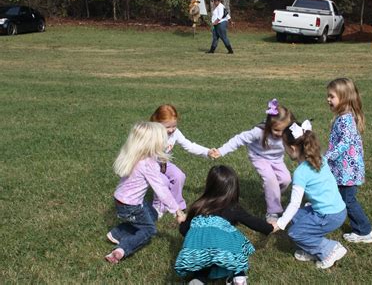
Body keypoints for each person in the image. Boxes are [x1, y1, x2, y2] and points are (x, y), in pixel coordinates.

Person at [175, 165, 275, 285]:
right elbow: (252, 221)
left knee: (203, 262)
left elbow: (187, 231)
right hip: (224, 248)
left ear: (209, 185)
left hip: (201, 252)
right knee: (237, 249)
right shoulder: (233, 207)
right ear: (233, 189)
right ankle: (239, 277)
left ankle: (198, 280)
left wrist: (182, 222)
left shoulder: (198, 206)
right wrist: (270, 227)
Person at [105, 122, 186, 264]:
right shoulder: (148, 164)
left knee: (152, 214)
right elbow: (162, 191)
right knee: (149, 230)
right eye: (162, 140)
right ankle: (121, 250)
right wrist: (177, 211)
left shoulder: (134, 156)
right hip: (131, 205)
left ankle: (116, 233)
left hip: (122, 201)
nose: (165, 143)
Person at [273, 120, 348, 269]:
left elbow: (294, 203)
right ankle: (311, 250)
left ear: (293, 148)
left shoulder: (300, 173)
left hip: (329, 215)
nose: (285, 150)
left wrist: (280, 223)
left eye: (285, 146)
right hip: (338, 210)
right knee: (296, 217)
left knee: (295, 233)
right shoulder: (319, 158)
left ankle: (329, 249)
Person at [212, 99, 294, 223]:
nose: (280, 133)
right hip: (259, 157)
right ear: (268, 125)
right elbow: (239, 139)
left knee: (286, 179)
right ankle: (272, 212)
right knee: (270, 179)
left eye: (283, 130)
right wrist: (221, 150)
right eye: (276, 130)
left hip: (277, 159)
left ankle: (271, 194)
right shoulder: (258, 132)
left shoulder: (288, 132)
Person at [325, 78, 372, 243]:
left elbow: (344, 144)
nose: (328, 100)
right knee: (342, 197)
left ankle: (364, 230)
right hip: (343, 169)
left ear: (344, 98)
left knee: (348, 200)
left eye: (332, 96)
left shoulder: (346, 120)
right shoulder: (344, 117)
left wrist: (328, 156)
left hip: (347, 170)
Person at [150, 104, 215, 215]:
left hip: (165, 163)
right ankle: (157, 208)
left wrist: (207, 151)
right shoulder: (150, 134)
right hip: (150, 166)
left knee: (179, 176)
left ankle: (177, 205)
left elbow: (189, 145)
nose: (171, 130)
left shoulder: (175, 133)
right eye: (167, 127)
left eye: (174, 126)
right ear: (157, 123)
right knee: (163, 182)